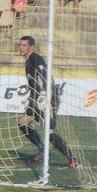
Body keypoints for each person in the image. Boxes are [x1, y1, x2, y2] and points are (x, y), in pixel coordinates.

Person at [17, 35, 78, 168]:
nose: (21, 47)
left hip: (48, 98)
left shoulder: (35, 58)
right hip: (36, 98)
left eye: (24, 45)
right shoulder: (28, 60)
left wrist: (45, 95)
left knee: (49, 133)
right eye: (20, 45)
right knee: (23, 123)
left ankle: (73, 158)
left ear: (31, 47)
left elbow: (45, 76)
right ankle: (42, 150)